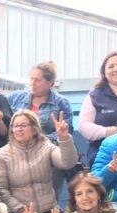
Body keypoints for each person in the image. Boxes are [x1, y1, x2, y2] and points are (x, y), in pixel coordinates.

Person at [7, 61, 75, 197]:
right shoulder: (15, 98)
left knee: (48, 193)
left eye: (37, 80)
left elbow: (66, 131)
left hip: (47, 153)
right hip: (18, 152)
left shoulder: (61, 102)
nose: (32, 83)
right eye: (31, 79)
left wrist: (38, 139)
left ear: (51, 83)